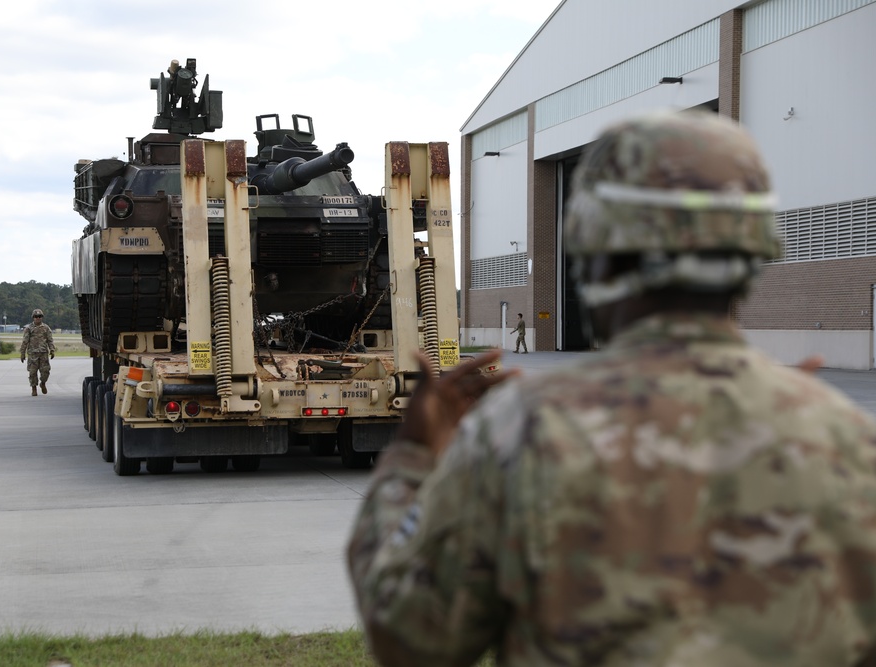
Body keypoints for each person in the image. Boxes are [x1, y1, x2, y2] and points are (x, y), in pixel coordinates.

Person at [346, 111, 876, 666]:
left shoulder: (522, 432)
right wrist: (808, 423)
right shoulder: (849, 441)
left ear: (591, 255)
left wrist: (410, 455)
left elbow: (408, 638)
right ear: (754, 253)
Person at [20, 308, 55, 396]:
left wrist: (52, 350)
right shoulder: (29, 328)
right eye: (36, 316)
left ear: (42, 317)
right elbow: (25, 341)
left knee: (45, 371)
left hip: (43, 353)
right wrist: (22, 353)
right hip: (33, 354)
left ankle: (43, 383)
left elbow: (50, 340)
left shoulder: (46, 328)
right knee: (32, 372)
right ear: (33, 317)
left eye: (39, 316)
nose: (38, 318)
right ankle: (34, 388)